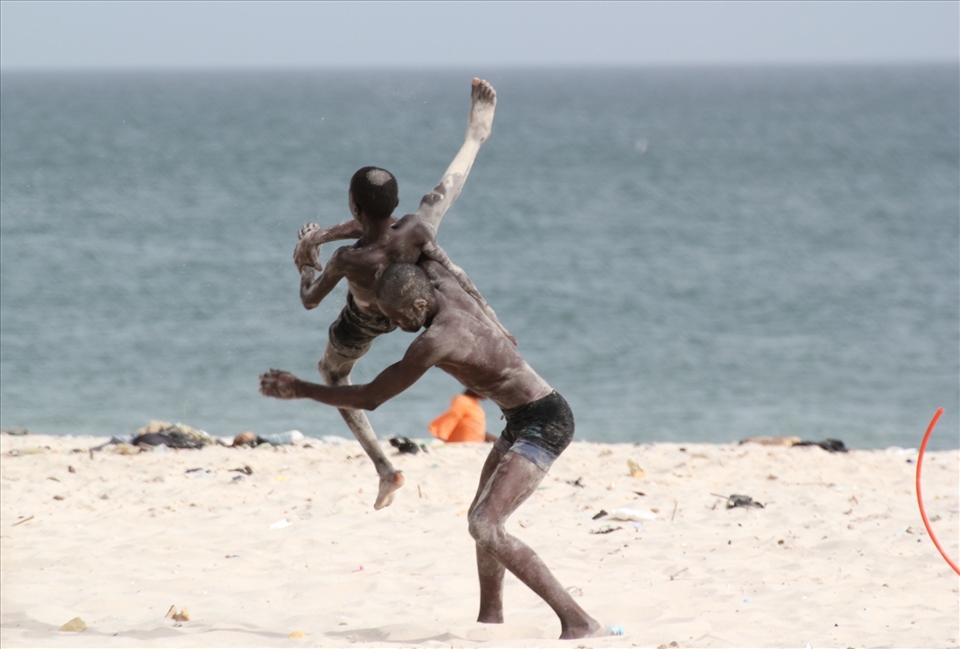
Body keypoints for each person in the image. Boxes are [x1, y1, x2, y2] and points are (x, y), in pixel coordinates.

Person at [259, 261, 602, 640]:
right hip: (519, 418)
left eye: (398, 317)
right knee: (482, 519)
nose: (396, 326)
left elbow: (372, 397)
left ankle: (579, 621)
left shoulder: (437, 339)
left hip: (546, 421)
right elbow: (419, 230)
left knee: (485, 524)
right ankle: (490, 620)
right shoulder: (445, 289)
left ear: (419, 307)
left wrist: (303, 389)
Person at [289, 79, 515, 510]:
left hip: (363, 322)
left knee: (332, 373)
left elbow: (310, 300)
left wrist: (305, 260)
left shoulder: (345, 260)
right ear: (393, 205)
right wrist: (321, 235)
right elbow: (379, 226)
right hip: (412, 309)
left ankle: (384, 469)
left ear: (354, 207)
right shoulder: (411, 228)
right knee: (439, 197)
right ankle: (475, 137)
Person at [429, 388, 497, 443]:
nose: (489, 394)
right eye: (488, 390)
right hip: (462, 446)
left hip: (474, 445)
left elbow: (475, 428)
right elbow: (451, 418)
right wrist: (441, 438)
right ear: (476, 388)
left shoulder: (473, 403)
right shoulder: (462, 401)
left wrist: (499, 441)